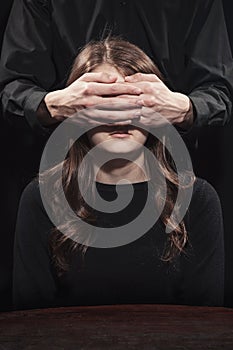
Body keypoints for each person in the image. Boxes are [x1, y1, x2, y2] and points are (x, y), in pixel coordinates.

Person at [13, 38, 224, 310]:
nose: (120, 116)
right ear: (76, 109)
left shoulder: (198, 200)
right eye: (106, 101)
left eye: (133, 101)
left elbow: (207, 326)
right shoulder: (42, 199)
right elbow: (29, 325)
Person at [0, 0, 233, 136]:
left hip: (174, 173)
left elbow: (218, 92)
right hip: (65, 171)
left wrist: (185, 109)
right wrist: (52, 105)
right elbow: (14, 87)